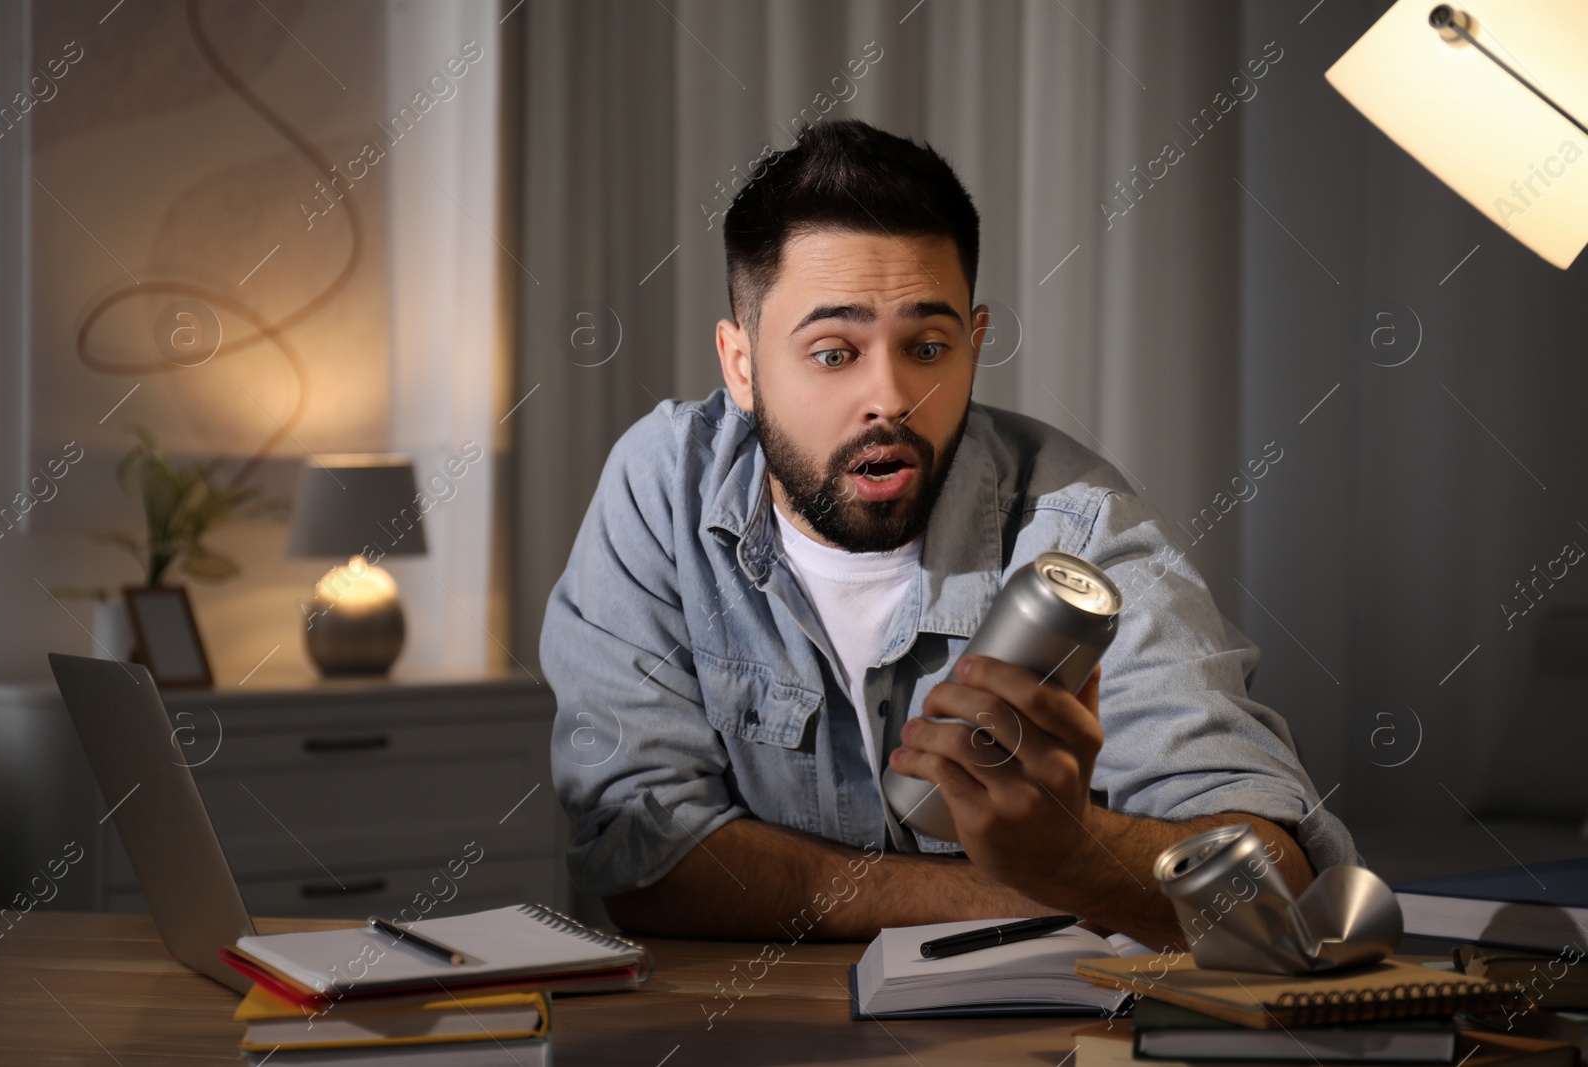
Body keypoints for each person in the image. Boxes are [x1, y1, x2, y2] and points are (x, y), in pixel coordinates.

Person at [540, 118, 1357, 949]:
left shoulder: (1079, 526)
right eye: (833, 353)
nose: (889, 396)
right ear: (741, 364)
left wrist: (1073, 853)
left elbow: (1275, 886)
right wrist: (1033, 880)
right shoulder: (664, 487)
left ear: (974, 343)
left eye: (927, 346)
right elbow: (638, 859)